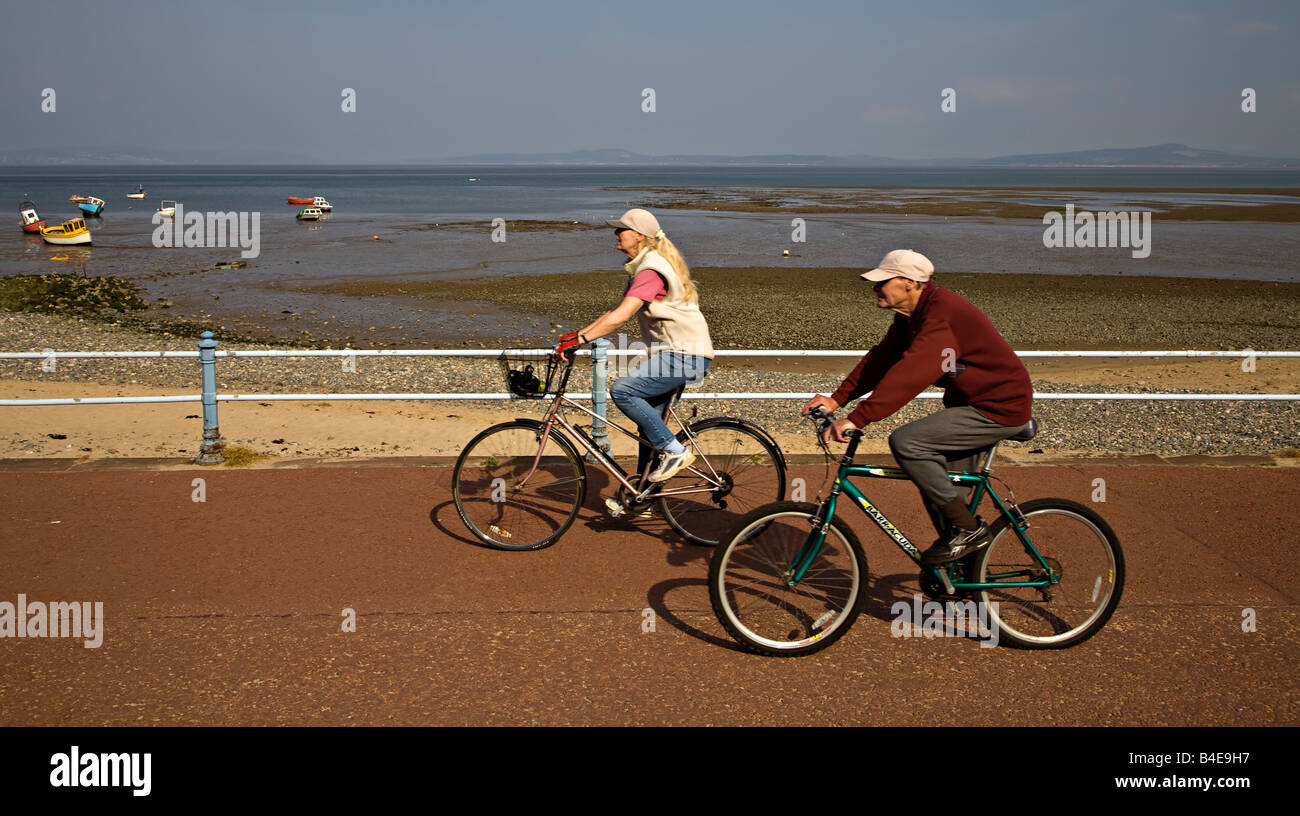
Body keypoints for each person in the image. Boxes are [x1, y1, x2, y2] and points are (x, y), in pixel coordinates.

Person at [801, 249, 1034, 564]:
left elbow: (910, 374)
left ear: (910, 283)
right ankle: (959, 570)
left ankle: (969, 532)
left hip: (997, 408)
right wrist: (836, 398)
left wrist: (858, 418)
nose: (874, 287)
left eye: (882, 281)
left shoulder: (942, 315)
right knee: (939, 490)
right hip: (968, 406)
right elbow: (882, 360)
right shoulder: (910, 317)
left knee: (907, 441)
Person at [554, 208, 715, 500]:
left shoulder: (651, 270)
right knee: (648, 428)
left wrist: (580, 339)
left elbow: (622, 317)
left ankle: (675, 452)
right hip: (681, 354)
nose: (616, 234)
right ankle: (643, 494)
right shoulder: (644, 266)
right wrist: (576, 337)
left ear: (639, 237)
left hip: (684, 355)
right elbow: (613, 313)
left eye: (622, 230)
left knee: (623, 391)